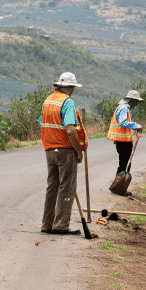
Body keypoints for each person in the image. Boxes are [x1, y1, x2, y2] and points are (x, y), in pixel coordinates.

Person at [39, 72, 87, 235]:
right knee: (67, 187)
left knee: (52, 186)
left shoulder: (48, 100)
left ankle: (47, 224)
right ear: (71, 88)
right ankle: (61, 225)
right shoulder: (67, 102)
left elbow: (42, 122)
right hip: (65, 151)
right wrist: (78, 151)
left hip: (49, 150)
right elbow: (70, 129)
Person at [107, 89, 144, 183]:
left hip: (124, 141)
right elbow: (123, 122)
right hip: (123, 142)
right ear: (131, 100)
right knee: (124, 164)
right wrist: (137, 126)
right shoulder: (124, 108)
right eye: (136, 101)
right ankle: (119, 184)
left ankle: (120, 184)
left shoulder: (126, 108)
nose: (136, 104)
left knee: (125, 163)